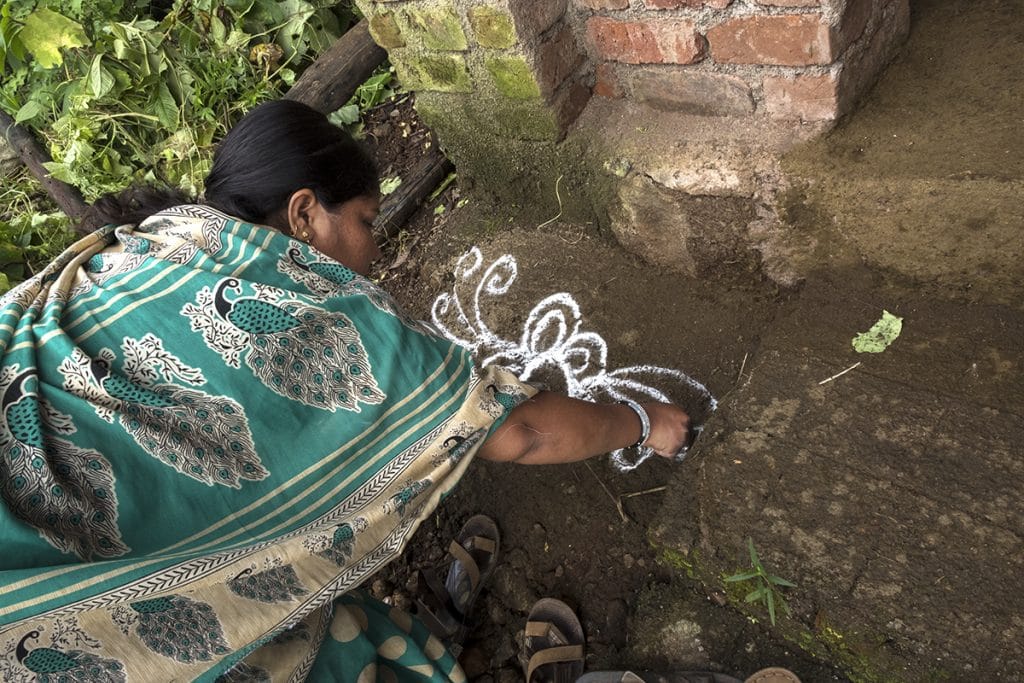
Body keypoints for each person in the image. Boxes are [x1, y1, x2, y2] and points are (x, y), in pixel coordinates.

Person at [0, 99, 690, 682]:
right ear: (303, 215)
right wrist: (641, 418)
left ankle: (427, 628)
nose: (375, 249)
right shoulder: (317, 327)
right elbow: (518, 429)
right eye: (364, 220)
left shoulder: (155, 240)